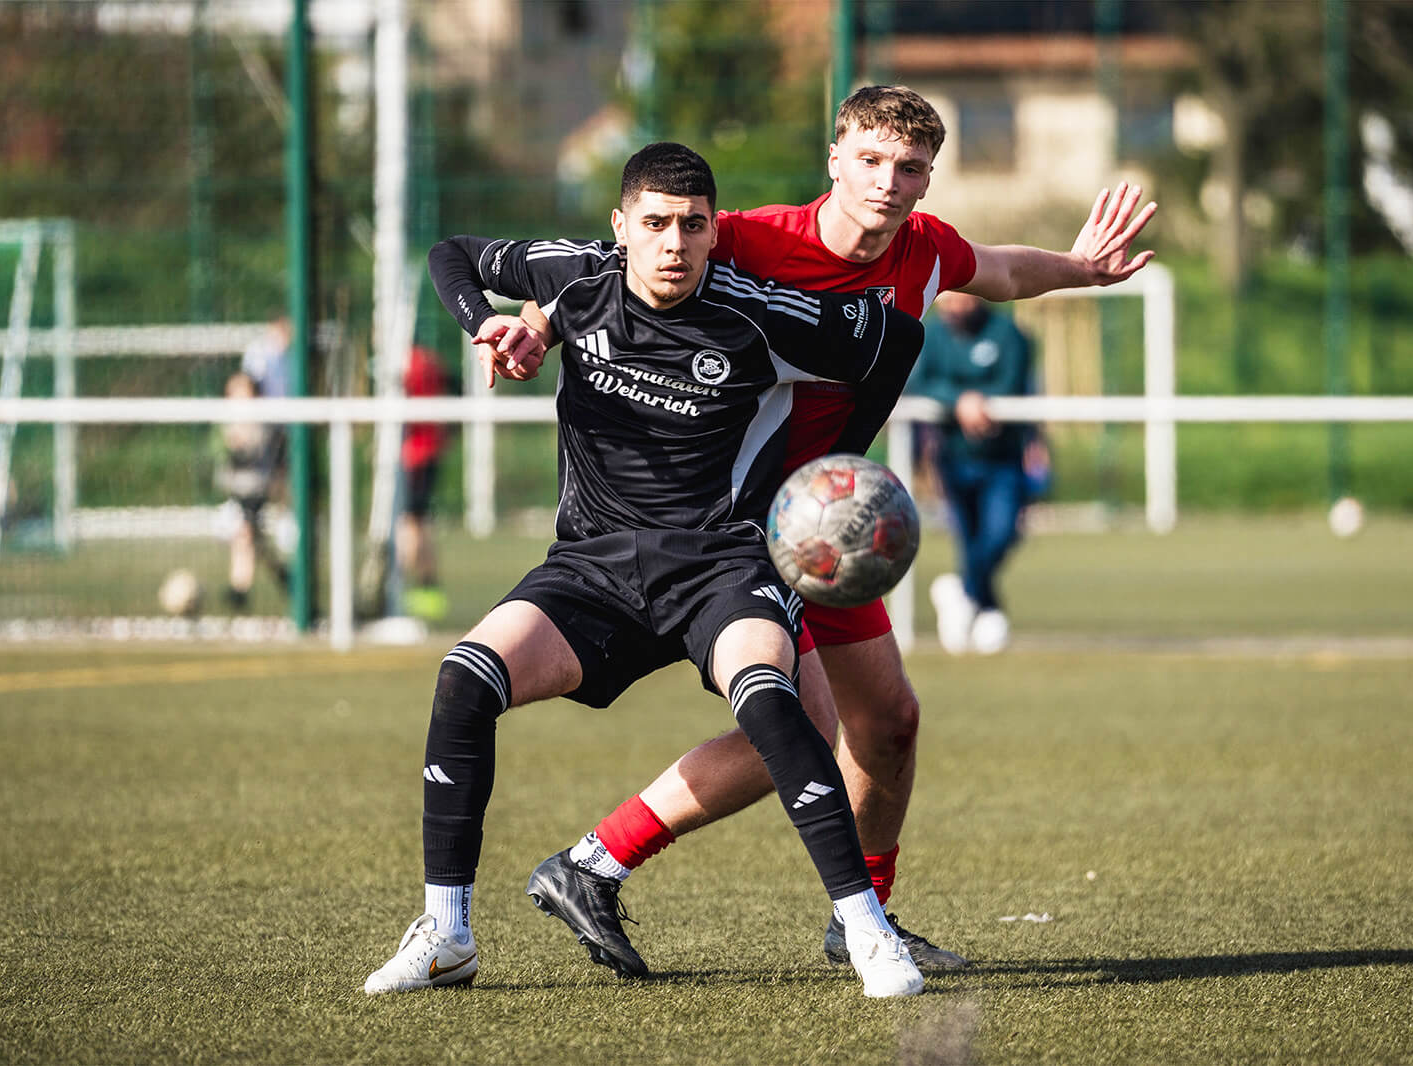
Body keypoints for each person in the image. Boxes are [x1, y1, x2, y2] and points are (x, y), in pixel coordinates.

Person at [485, 85, 1156, 977]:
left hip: (826, 523)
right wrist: (532, 325)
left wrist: (1080, 267)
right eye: (870, 161)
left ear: (927, 178)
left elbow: (998, 271)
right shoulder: (751, 238)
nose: (887, 182)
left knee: (887, 724)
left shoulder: (925, 250)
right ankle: (598, 863)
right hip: (735, 520)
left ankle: (851, 915)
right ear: (834, 158)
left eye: (909, 167)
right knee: (798, 728)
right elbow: (609, 266)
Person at [363, 142, 930, 999]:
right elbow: (452, 255)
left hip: (722, 561)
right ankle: (447, 935)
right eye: (656, 224)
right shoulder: (573, 280)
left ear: (714, 234)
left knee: (773, 699)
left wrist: (833, 467)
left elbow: (895, 338)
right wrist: (484, 319)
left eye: (694, 227)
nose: (675, 243)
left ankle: (867, 931)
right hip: (593, 564)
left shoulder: (761, 314)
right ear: (621, 227)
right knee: (465, 676)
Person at [909, 290, 1049, 654]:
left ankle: (962, 592)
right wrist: (961, 402)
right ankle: (988, 611)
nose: (954, 309)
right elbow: (920, 381)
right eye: (948, 303)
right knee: (969, 540)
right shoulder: (933, 335)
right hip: (953, 455)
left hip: (1003, 456)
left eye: (961, 301)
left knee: (1001, 534)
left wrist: (981, 403)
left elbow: (1013, 384)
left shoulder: (1008, 334)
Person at [215, 371, 290, 610]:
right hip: (236, 492)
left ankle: (239, 591)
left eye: (242, 392)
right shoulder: (225, 425)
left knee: (245, 536)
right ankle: (285, 577)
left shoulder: (263, 425)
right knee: (253, 543)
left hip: (257, 491)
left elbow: (266, 455)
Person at [398, 344, 452, 623]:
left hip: (416, 454)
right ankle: (424, 586)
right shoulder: (431, 360)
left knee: (412, 522)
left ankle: (412, 585)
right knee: (418, 521)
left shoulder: (411, 365)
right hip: (427, 450)